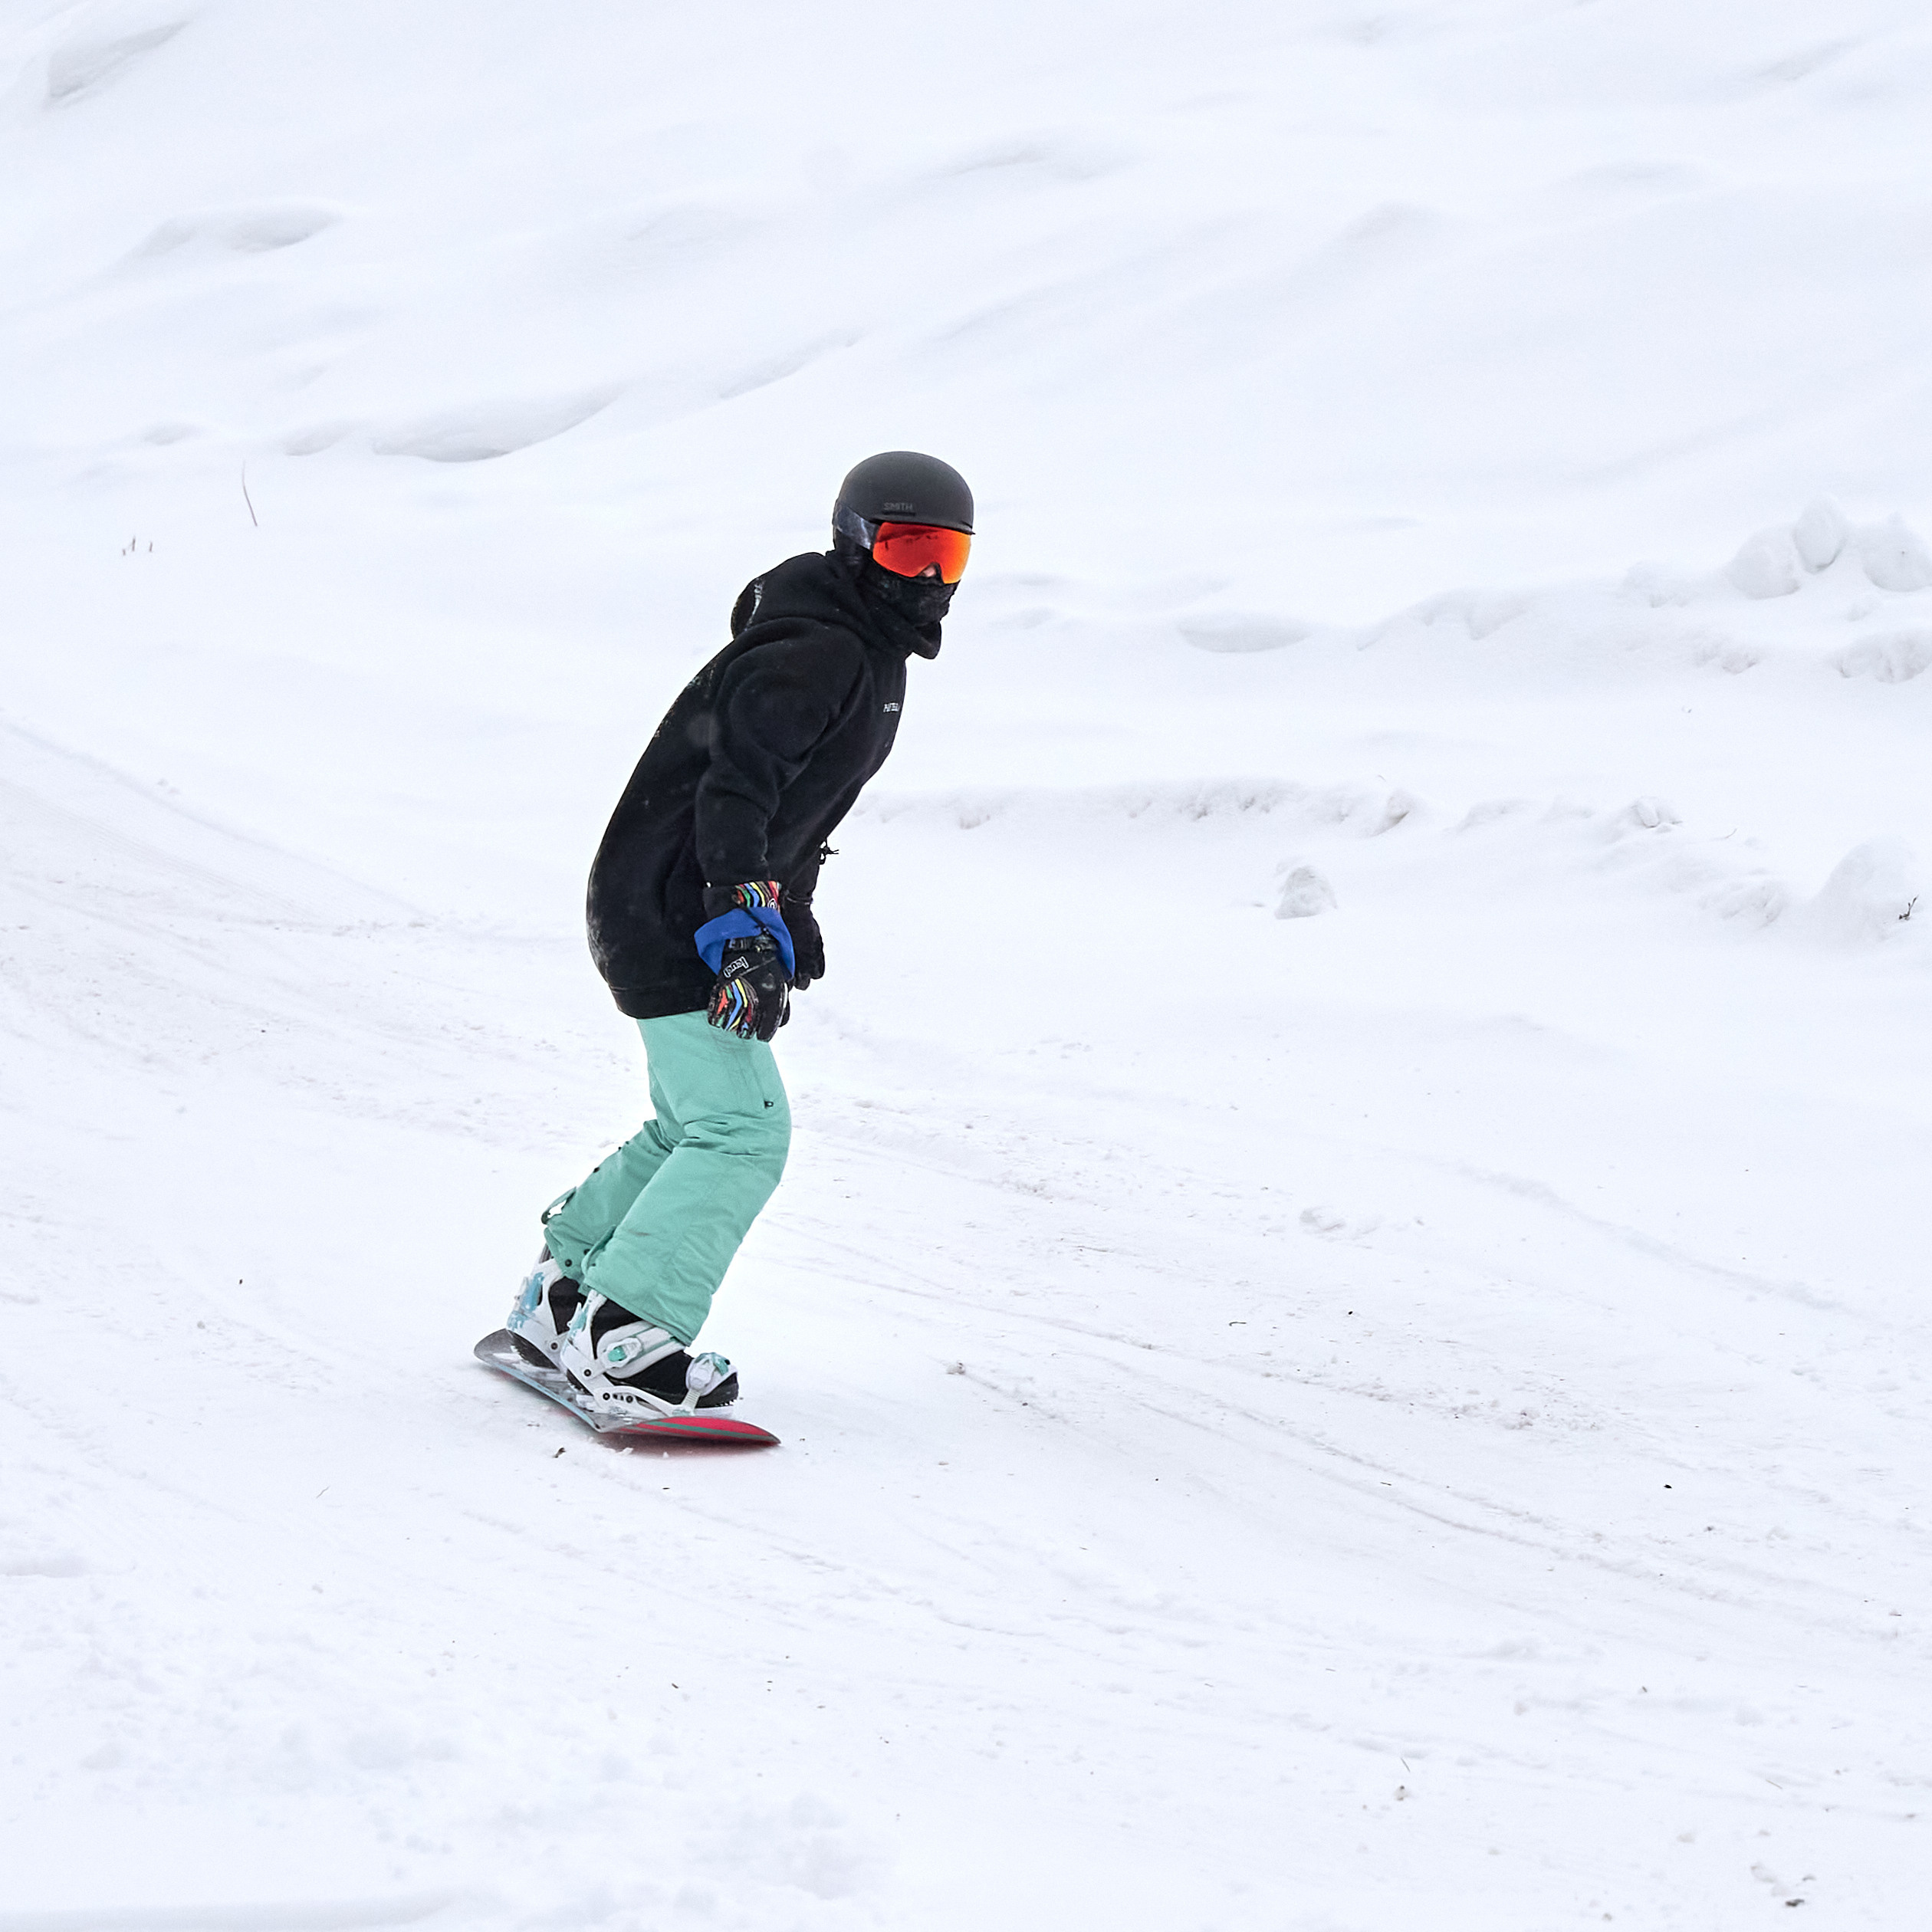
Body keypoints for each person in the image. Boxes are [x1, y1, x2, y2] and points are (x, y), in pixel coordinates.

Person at [498, 450, 974, 1419]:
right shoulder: (820, 649)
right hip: (675, 909)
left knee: (691, 1122)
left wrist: (786, 902)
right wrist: (738, 914)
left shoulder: (859, 648)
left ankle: (563, 1295)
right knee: (742, 1134)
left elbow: (791, 802)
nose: (925, 578)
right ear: (855, 543)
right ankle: (627, 1332)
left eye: (948, 557)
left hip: (649, 897)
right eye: (907, 547)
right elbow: (737, 786)